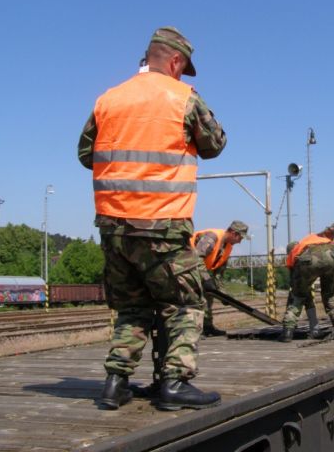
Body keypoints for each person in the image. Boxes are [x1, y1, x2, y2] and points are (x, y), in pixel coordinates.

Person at [78, 26, 227, 411]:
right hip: (162, 225)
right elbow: (215, 144)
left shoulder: (109, 99)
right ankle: (175, 382)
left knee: (132, 307)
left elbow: (85, 154)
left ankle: (116, 383)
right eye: (183, 67)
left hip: (113, 228)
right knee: (186, 302)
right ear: (175, 61)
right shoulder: (183, 98)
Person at [279, 203, 334, 342]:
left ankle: (287, 333)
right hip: (332, 256)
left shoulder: (293, 256)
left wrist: (299, 294)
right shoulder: (317, 237)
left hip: (308, 261)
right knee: (330, 296)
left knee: (297, 296)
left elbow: (296, 287)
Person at [192, 220, 249, 336]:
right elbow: (196, 259)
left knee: (208, 294)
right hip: (183, 266)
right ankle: (194, 330)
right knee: (195, 298)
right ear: (234, 233)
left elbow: (219, 274)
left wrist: (223, 295)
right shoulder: (211, 237)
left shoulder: (227, 247)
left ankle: (207, 327)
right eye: (240, 238)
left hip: (197, 270)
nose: (240, 242)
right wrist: (206, 279)